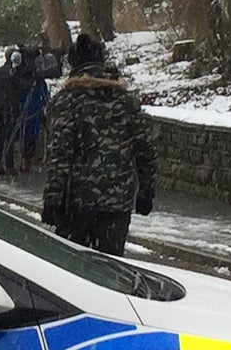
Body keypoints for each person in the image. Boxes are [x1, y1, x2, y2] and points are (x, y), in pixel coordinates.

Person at [39, 33, 157, 256]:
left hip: (77, 202)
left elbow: (60, 155)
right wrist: (146, 189)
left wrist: (52, 198)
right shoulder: (125, 101)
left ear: (73, 64)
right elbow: (145, 148)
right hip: (117, 202)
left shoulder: (67, 101)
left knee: (74, 268)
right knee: (112, 266)